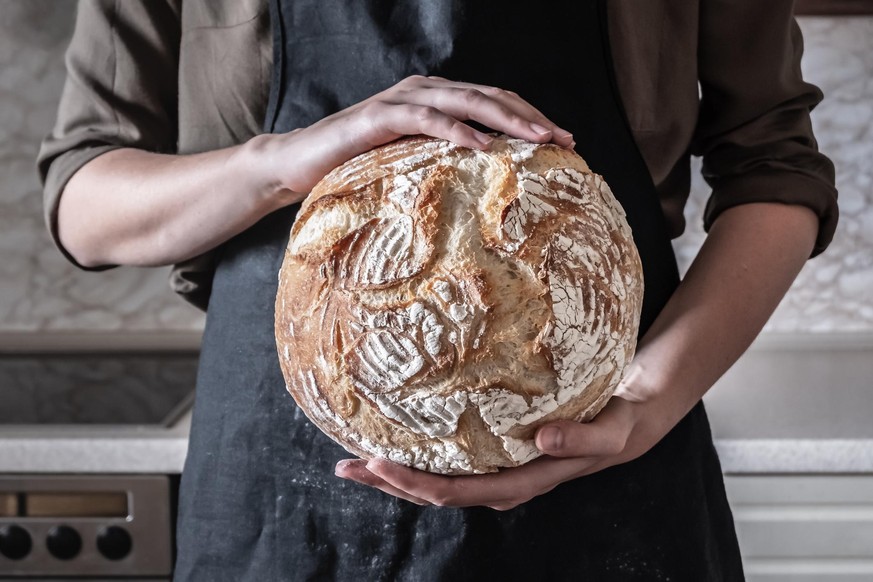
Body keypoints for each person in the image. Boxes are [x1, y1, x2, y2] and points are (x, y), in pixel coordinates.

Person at [38, 1, 837, 580]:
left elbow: (775, 165)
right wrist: (284, 163)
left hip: (606, 441)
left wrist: (650, 403)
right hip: (279, 473)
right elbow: (86, 201)